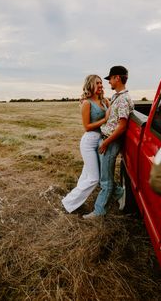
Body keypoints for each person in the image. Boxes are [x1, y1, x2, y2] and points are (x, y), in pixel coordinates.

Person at [83, 65, 134, 219]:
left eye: (110, 79)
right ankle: (120, 194)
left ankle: (99, 210)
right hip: (105, 140)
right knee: (103, 175)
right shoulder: (116, 97)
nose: (109, 83)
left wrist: (105, 143)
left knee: (105, 180)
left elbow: (122, 126)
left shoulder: (124, 99)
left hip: (110, 143)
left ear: (117, 78)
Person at [61, 75, 109, 213]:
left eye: (101, 83)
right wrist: (104, 119)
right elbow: (87, 126)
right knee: (94, 178)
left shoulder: (105, 101)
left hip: (101, 140)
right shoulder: (86, 103)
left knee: (87, 175)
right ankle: (68, 203)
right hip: (89, 142)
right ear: (90, 85)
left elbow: (113, 116)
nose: (101, 85)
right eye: (97, 83)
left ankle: (74, 203)